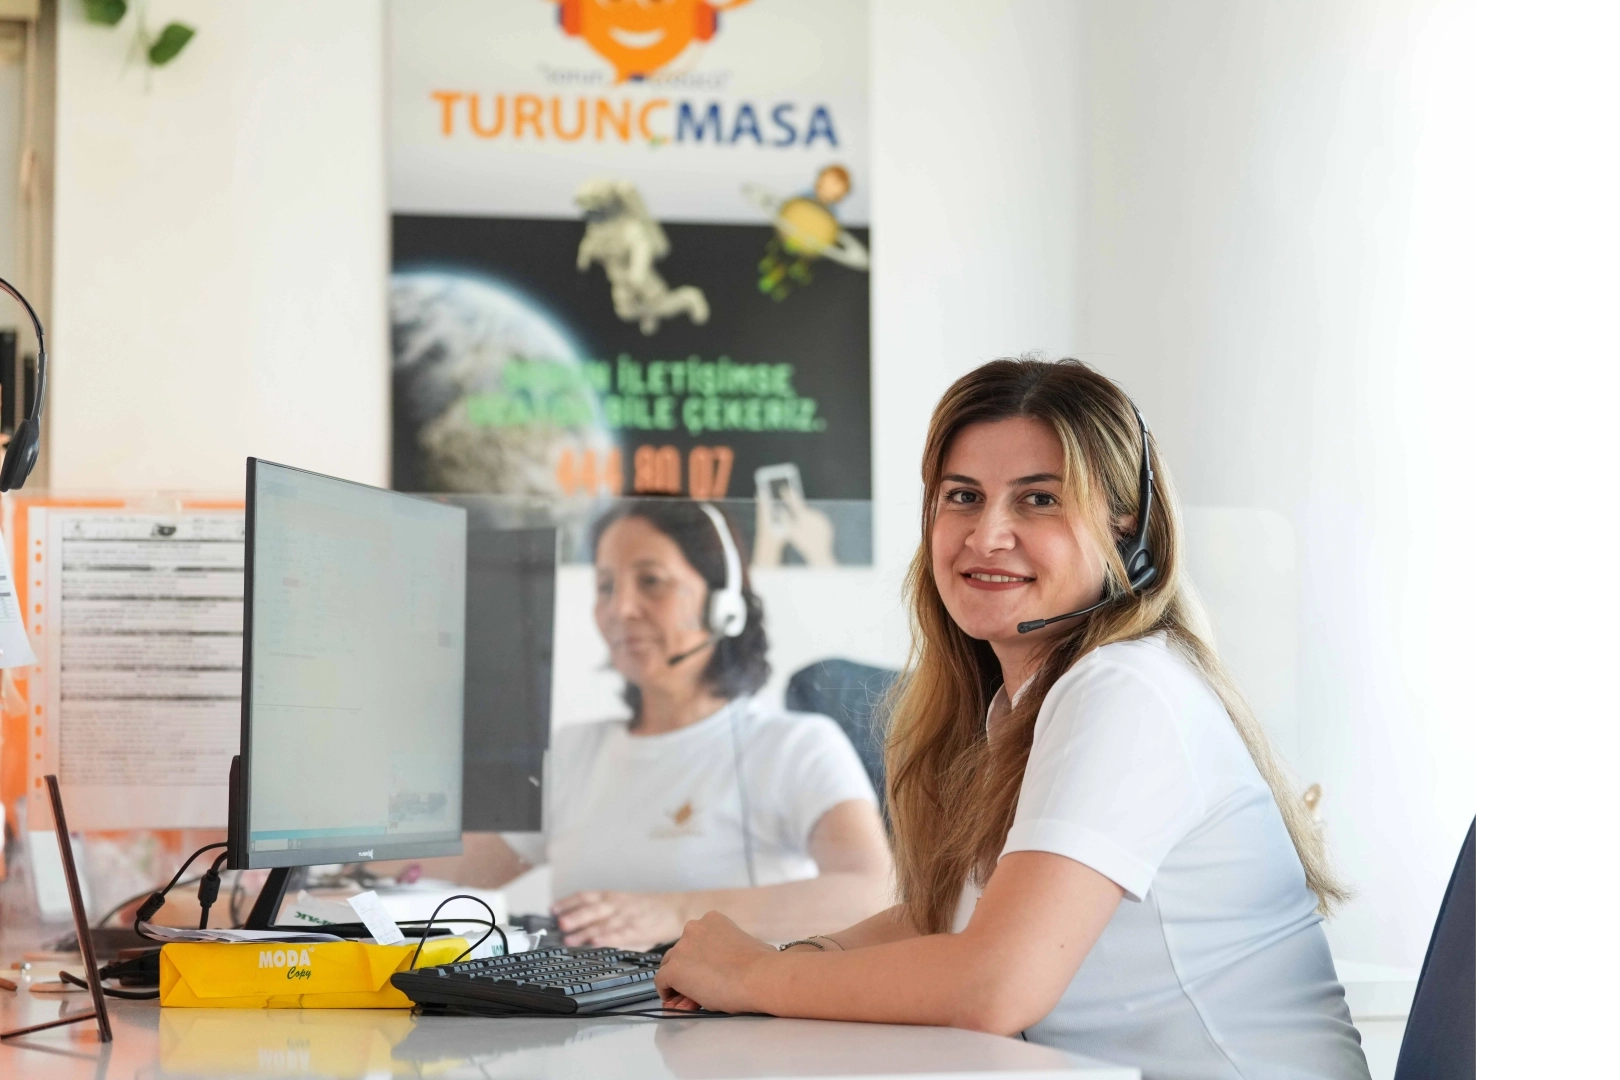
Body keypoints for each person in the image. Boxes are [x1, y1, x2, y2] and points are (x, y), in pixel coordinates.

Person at [655, 359, 1370, 1080]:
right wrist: (787, 958)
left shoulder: (1126, 689)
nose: (987, 535)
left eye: (1039, 500)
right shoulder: (1023, 703)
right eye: (963, 496)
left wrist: (751, 977)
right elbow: (943, 916)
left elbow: (993, 985)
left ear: (1127, 528)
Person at [500, 498, 891, 951]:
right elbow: (451, 861)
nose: (620, 608)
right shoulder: (572, 750)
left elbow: (874, 895)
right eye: (605, 586)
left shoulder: (796, 746)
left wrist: (676, 913)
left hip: (722, 1000)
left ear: (723, 603)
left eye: (651, 581)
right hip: (573, 999)